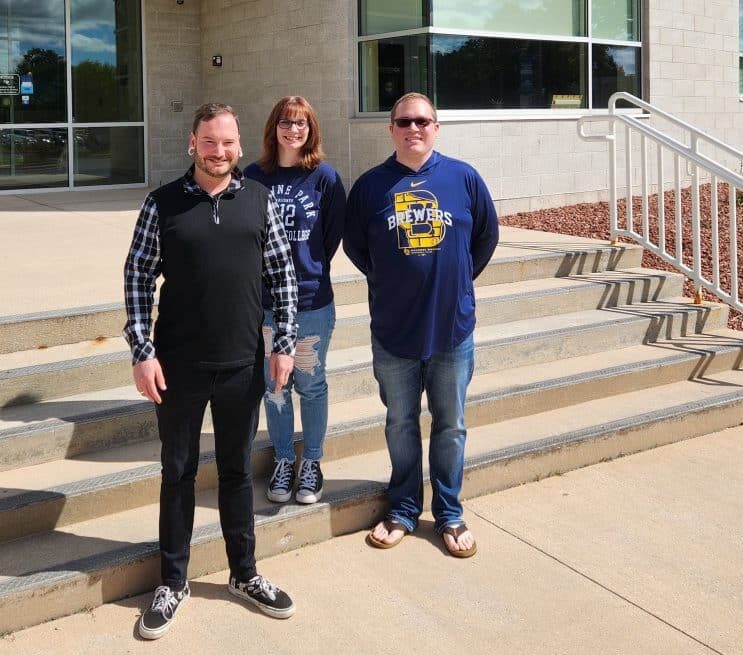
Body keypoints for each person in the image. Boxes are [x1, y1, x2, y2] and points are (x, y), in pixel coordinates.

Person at [123, 102, 299, 640]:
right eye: (208, 141)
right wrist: (142, 352)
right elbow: (137, 277)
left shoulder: (261, 201)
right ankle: (173, 582)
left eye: (226, 142)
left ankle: (244, 574)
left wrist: (284, 344)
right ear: (192, 143)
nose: (218, 151)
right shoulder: (162, 204)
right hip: (177, 368)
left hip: (241, 365)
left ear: (239, 146)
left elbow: (282, 275)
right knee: (176, 473)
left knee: (236, 472)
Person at [343, 92, 499, 557]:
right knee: (400, 423)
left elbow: (485, 238)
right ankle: (404, 508)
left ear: (436, 128)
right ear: (391, 128)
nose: (414, 128)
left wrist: (455, 281)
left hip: (452, 330)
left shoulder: (463, 178)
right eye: (404, 121)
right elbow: (356, 247)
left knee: (451, 425)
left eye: (423, 121)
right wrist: (393, 280)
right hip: (394, 331)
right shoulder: (370, 186)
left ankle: (449, 512)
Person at [244, 96, 346, 505]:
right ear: (274, 128)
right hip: (266, 303)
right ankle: (284, 459)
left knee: (311, 384)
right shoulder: (254, 176)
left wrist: (306, 268)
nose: (293, 129)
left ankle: (312, 462)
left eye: (301, 123)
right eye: (286, 122)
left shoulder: (324, 178)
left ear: (311, 129)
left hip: (311, 302)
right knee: (275, 384)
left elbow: (331, 237)